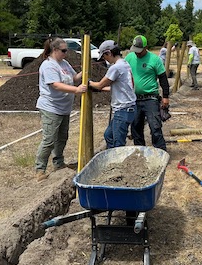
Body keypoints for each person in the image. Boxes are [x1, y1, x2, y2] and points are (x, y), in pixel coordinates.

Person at [35, 37, 88, 182]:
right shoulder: (48, 66)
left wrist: (84, 71)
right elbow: (56, 85)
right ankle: (40, 169)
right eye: (64, 50)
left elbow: (74, 77)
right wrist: (76, 90)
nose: (66, 53)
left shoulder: (64, 63)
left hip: (64, 108)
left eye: (67, 50)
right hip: (51, 107)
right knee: (49, 139)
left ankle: (59, 164)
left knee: (62, 138)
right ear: (55, 50)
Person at [124, 35, 170, 151]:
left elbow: (163, 79)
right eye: (135, 50)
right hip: (134, 99)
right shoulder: (129, 58)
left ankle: (161, 151)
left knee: (155, 126)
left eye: (139, 51)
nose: (137, 53)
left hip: (151, 99)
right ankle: (140, 152)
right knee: (135, 127)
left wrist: (165, 97)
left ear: (146, 47)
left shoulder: (154, 60)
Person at [89, 40, 137, 149]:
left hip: (123, 110)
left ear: (109, 53)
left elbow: (100, 84)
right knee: (109, 136)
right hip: (129, 108)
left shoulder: (115, 68)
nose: (104, 59)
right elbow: (120, 87)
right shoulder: (125, 64)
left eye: (104, 56)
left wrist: (88, 83)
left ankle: (119, 163)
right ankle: (113, 159)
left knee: (118, 143)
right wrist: (99, 89)